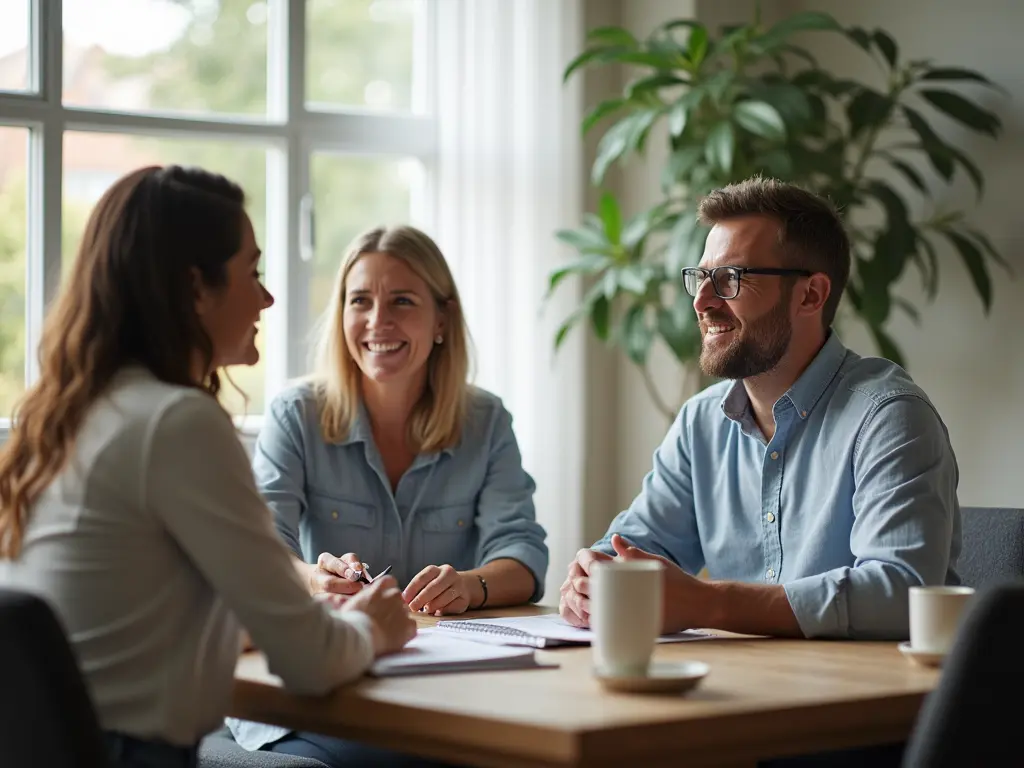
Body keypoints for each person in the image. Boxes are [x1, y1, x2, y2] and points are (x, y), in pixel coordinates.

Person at [0, 166, 416, 768]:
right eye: (252, 272)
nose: (268, 298)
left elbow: (133, 617)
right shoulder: (176, 422)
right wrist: (375, 626)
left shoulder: (71, 414)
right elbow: (311, 662)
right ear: (196, 289)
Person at [560, 177, 961, 642]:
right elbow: (632, 549)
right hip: (740, 689)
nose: (702, 301)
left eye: (730, 278)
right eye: (701, 276)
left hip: (869, 704)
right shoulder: (700, 422)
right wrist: (590, 579)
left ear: (810, 295)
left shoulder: (889, 417)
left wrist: (710, 603)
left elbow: (901, 592)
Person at [226, 224, 548, 764]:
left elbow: (523, 553)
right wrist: (314, 577)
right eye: (360, 301)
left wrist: (469, 586)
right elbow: (263, 551)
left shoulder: (486, 420)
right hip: (322, 690)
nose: (379, 321)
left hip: (442, 695)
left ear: (442, 319)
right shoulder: (296, 415)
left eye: (402, 300)